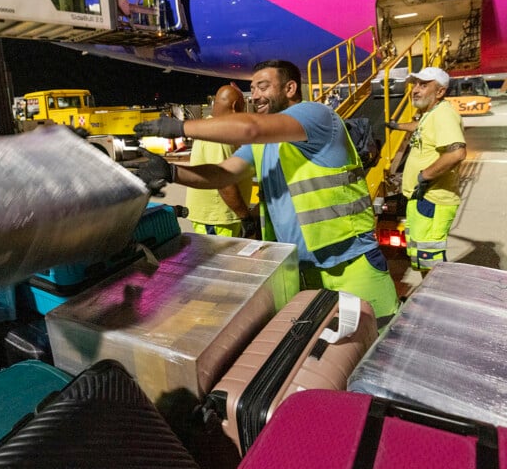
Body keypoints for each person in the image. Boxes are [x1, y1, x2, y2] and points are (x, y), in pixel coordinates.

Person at [133, 59, 399, 325]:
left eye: (263, 86)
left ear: (291, 88)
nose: (256, 95)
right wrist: (171, 173)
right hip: (301, 268)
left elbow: (251, 127)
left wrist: (180, 128)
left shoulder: (315, 115)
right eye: (253, 88)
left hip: (350, 264)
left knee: (378, 341)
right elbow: (224, 173)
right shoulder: (262, 144)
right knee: (323, 356)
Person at [386, 67, 466, 273]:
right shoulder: (431, 114)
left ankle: (437, 301)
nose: (415, 90)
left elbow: (457, 153)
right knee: (423, 257)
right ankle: (430, 296)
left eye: (423, 85)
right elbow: (419, 126)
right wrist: (397, 126)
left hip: (432, 200)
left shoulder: (443, 115)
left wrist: (425, 176)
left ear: (440, 92)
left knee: (431, 261)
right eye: (415, 84)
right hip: (422, 199)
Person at [186, 84, 256, 237]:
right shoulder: (218, 135)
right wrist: (246, 216)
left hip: (223, 216)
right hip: (217, 219)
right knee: (221, 260)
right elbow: (223, 180)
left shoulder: (215, 127)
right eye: (243, 107)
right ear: (235, 106)